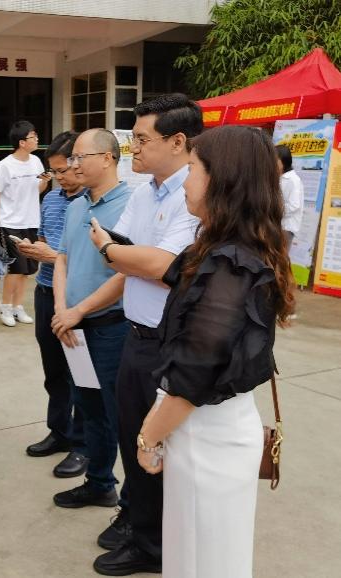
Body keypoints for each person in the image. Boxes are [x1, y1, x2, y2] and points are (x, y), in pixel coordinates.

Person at [135, 125, 294, 578]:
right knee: (197, 556)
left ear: (222, 180)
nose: (185, 180)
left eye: (192, 169)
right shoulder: (224, 250)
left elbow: (195, 372)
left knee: (205, 562)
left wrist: (149, 436)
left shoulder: (231, 264)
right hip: (203, 431)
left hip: (207, 437)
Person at [87, 94, 203, 576]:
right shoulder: (143, 192)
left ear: (177, 142)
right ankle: (139, 525)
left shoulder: (194, 195)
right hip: (135, 335)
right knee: (134, 438)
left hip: (170, 344)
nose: (133, 148)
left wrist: (121, 254)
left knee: (162, 447)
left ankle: (154, 547)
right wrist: (125, 255)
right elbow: (121, 253)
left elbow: (163, 266)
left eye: (140, 139)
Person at [50, 128, 130, 511]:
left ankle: (130, 502)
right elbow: (62, 259)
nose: (74, 165)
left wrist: (78, 311)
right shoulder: (76, 205)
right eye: (72, 158)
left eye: (81, 157)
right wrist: (62, 310)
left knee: (118, 414)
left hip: (111, 329)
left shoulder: (131, 205)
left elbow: (128, 272)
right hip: (74, 329)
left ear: (108, 158)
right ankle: (99, 483)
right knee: (90, 408)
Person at [15, 131, 88, 478]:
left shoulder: (94, 202)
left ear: (80, 162)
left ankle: (83, 445)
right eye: (54, 172)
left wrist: (52, 255)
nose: (58, 178)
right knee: (54, 373)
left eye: (63, 170)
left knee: (82, 378)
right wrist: (35, 250)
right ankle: (59, 432)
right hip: (46, 291)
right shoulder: (52, 199)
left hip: (78, 299)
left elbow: (96, 258)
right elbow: (45, 238)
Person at [0, 120, 50, 326]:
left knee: (28, 269)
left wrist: (45, 181)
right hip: (9, 223)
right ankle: (5, 306)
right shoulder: (5, 165)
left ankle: (18, 306)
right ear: (22, 142)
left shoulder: (36, 162)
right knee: (16, 268)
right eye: (33, 136)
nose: (37, 139)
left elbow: (38, 190)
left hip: (31, 221)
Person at [275, 144, 304, 247]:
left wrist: (274, 212)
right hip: (278, 227)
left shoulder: (293, 180)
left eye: (275, 160)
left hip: (286, 228)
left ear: (284, 161)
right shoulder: (280, 178)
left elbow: (294, 206)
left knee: (279, 256)